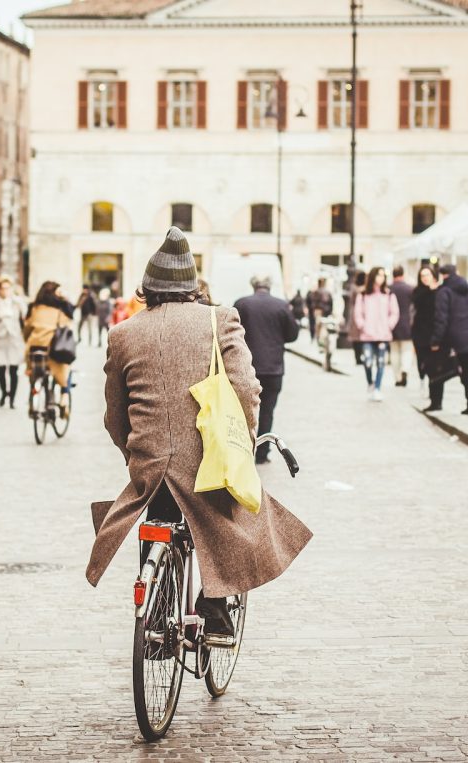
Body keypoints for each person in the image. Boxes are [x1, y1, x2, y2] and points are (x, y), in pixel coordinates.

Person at [89, 225, 312, 640]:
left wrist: (135, 454)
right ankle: (216, 608)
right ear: (192, 286)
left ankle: (157, 621)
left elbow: (114, 415)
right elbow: (246, 389)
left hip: (150, 462)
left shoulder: (122, 334)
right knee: (233, 516)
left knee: (158, 516)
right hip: (206, 458)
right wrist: (244, 439)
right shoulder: (219, 319)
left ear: (147, 288)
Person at [234, 274, 300, 463]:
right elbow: (292, 335)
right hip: (273, 367)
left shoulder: (242, 304)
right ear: (270, 286)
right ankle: (262, 454)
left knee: (243, 411)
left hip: (247, 366)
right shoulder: (281, 305)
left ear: (253, 285)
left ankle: (243, 451)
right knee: (267, 411)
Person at [428, 264, 468, 415]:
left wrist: (436, 340)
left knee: (438, 370)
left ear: (443, 275)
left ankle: (436, 402)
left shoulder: (444, 291)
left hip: (452, 337)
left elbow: (441, 318)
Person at [24, 281, 76, 416]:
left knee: (33, 372)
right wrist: (65, 300)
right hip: (54, 351)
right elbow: (69, 323)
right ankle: (64, 396)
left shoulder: (34, 308)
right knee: (67, 368)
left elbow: (27, 329)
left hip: (35, 349)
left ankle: (33, 399)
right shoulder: (60, 310)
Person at [354, 267, 400, 402]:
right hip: (367, 335)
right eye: (378, 275)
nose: (381, 278)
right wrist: (362, 325)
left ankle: (377, 388)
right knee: (367, 361)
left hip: (383, 335)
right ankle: (370, 382)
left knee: (381, 362)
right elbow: (358, 313)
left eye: (383, 275)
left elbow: (394, 313)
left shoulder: (389, 294)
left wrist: (389, 325)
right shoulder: (363, 295)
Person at [0, 276, 29, 408]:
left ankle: (12, 399)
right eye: (3, 288)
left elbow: (26, 317)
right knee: (0, 369)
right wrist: (0, 316)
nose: (5, 291)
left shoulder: (17, 302)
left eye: (8, 288)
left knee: (14, 370)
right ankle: (4, 392)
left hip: (14, 339)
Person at [411, 265, 439, 399]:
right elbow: (418, 303)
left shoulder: (439, 291)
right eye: (422, 276)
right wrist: (430, 290)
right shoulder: (418, 292)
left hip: (434, 331)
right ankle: (422, 379)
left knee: (433, 361)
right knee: (421, 358)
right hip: (420, 331)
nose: (425, 278)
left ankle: (432, 384)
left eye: (427, 275)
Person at [388, 266, 413, 387]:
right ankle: (405, 370)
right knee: (407, 350)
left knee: (394, 351)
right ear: (403, 274)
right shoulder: (410, 289)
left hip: (391, 324)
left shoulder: (388, 289)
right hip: (407, 323)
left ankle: (397, 377)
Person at [347, 270, 366, 366]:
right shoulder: (356, 288)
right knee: (356, 337)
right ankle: (358, 357)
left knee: (360, 337)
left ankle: (360, 356)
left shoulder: (356, 287)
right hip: (356, 313)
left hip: (360, 313)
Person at [306, 277, 333, 342]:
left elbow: (313, 302)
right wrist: (329, 311)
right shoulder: (327, 292)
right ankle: (321, 339)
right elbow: (330, 303)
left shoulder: (316, 292)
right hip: (325, 311)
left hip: (318, 310)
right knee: (322, 325)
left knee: (318, 325)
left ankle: (318, 338)